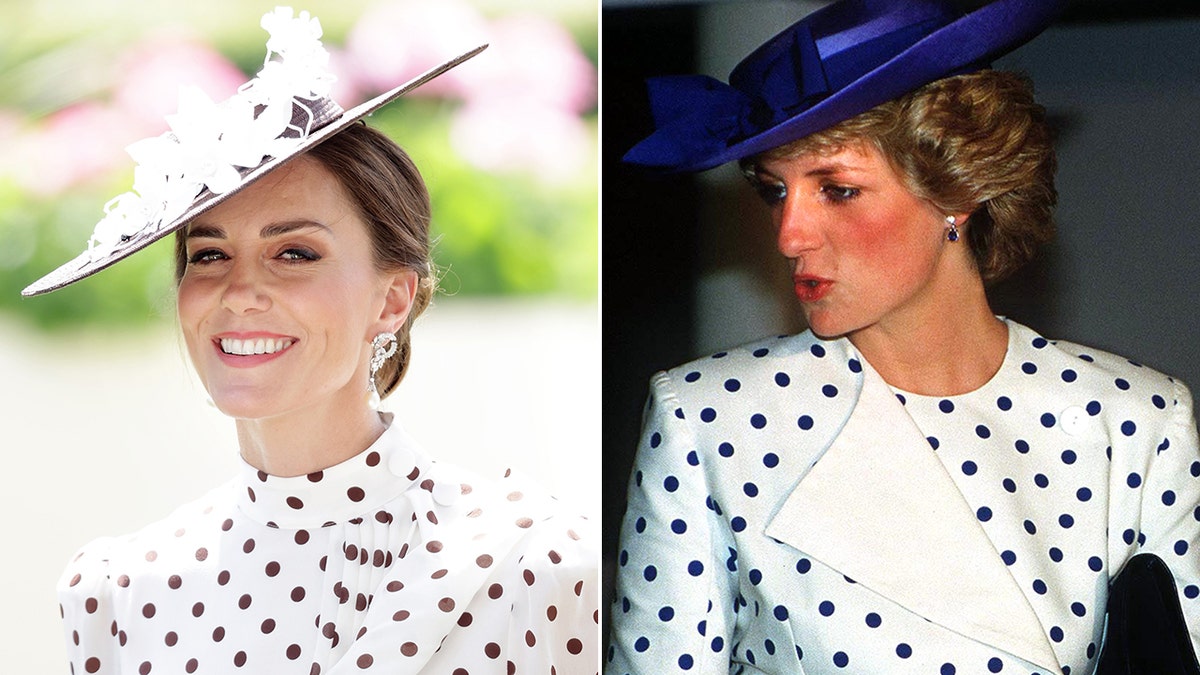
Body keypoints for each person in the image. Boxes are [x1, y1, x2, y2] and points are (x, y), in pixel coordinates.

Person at [608, 1, 1200, 674]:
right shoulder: (711, 418)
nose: (788, 235)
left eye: (837, 189)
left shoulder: (1136, 421)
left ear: (958, 189)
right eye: (776, 191)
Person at [25, 8, 598, 674]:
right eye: (208, 254)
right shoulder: (115, 595)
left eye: (294, 252)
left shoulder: (540, 567)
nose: (238, 292)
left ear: (392, 299)